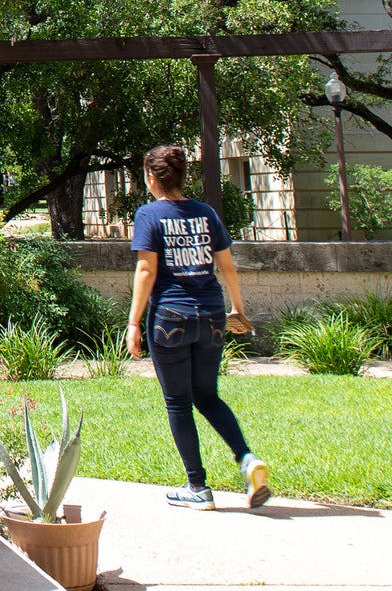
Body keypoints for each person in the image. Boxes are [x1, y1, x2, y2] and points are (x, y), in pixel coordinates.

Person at [126, 144, 272, 511]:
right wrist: (237, 308)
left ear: (151, 178)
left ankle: (198, 487)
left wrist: (133, 322)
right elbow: (227, 266)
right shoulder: (206, 214)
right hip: (212, 315)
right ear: (182, 177)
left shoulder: (149, 215)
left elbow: (147, 270)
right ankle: (247, 459)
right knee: (208, 396)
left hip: (171, 318)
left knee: (178, 402)